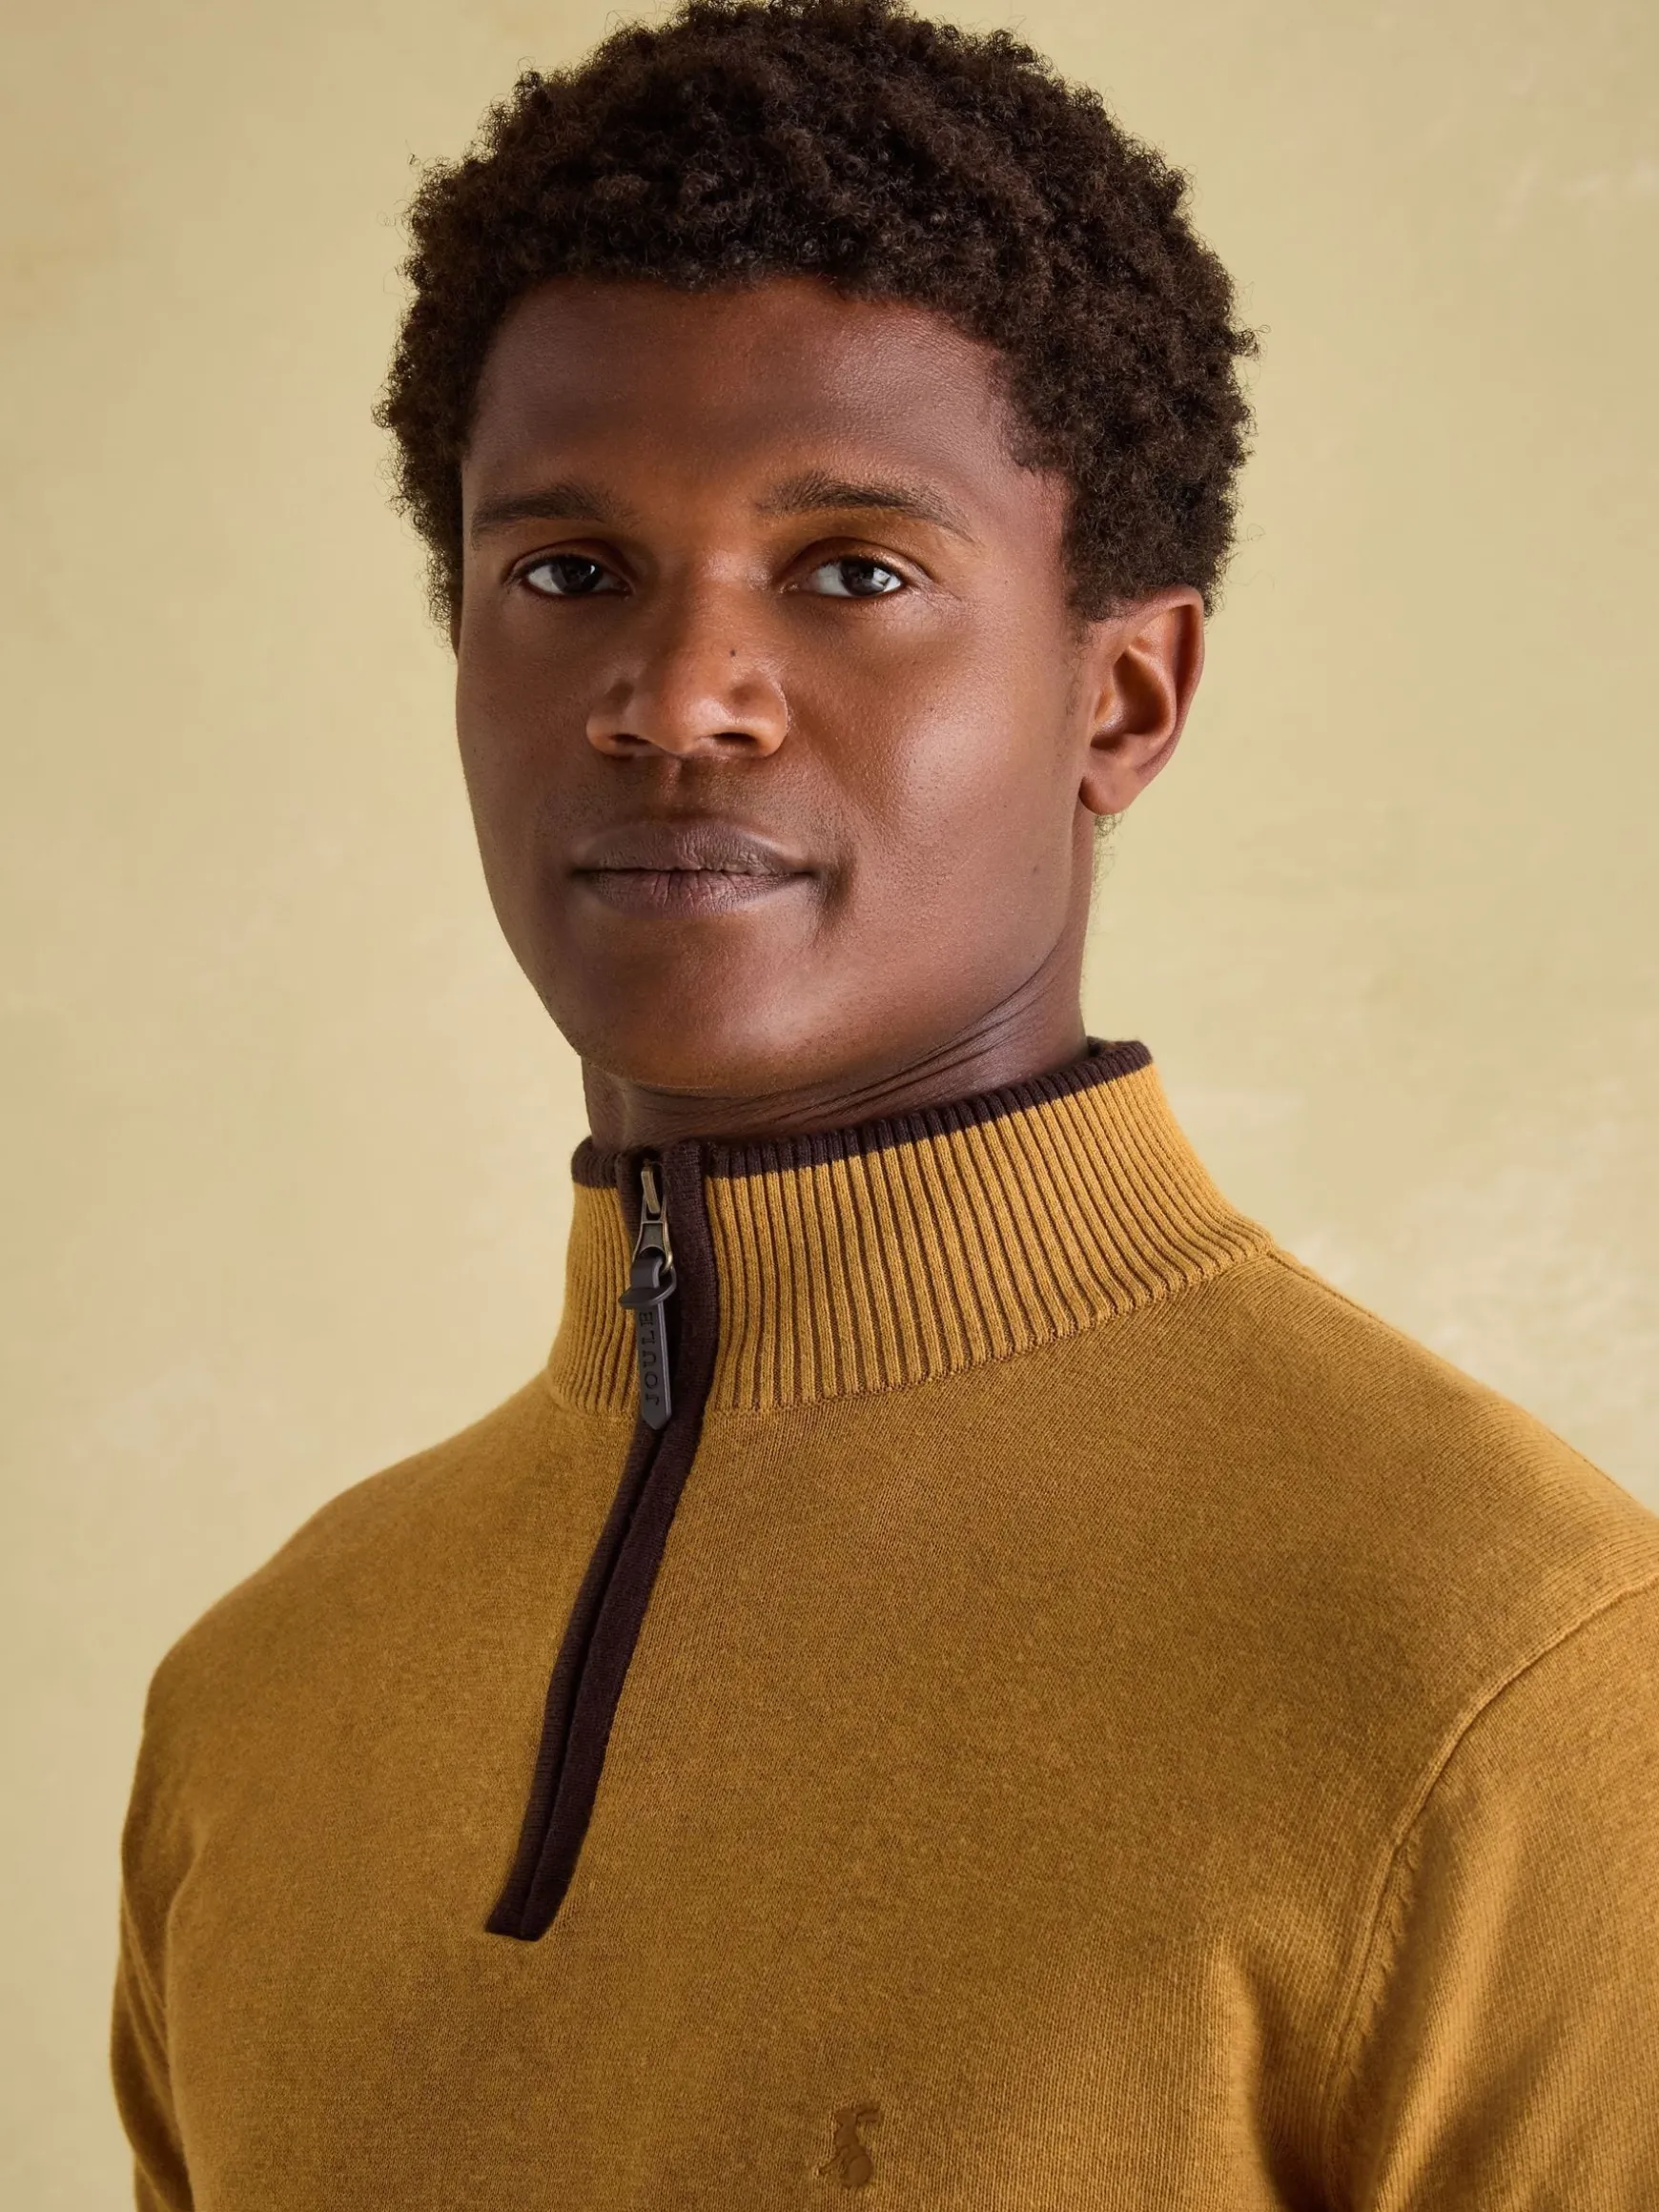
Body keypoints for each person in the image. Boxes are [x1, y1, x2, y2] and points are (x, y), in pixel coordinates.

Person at [112, 2, 1659, 2205]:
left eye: (854, 569)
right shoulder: (256, 1708)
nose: (679, 697)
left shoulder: (1516, 1673)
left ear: (1124, 697)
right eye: (567, 573)